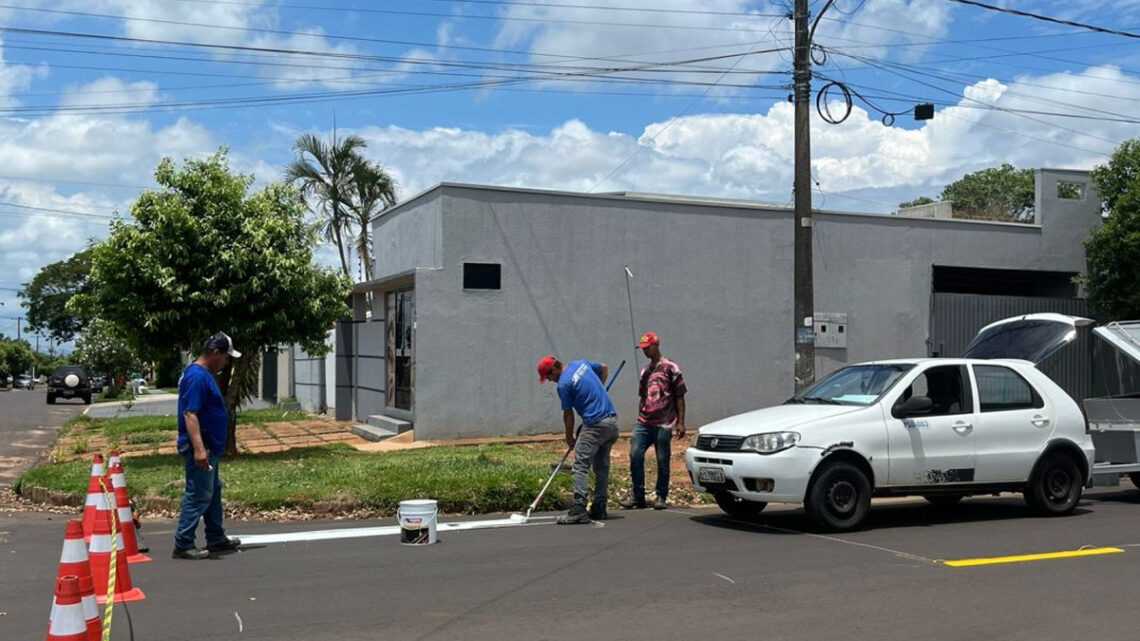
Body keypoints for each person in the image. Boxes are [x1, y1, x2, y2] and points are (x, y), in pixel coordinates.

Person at [173, 332, 243, 559]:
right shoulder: (196, 377)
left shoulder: (201, 374)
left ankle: (216, 538)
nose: (226, 362)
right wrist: (199, 449)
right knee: (198, 494)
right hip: (201, 446)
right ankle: (184, 543)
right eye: (225, 357)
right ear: (214, 353)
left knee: (213, 492)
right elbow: (190, 414)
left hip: (209, 445)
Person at [537, 355, 620, 524]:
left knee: (580, 466)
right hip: (611, 422)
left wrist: (570, 437)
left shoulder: (563, 385)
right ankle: (599, 506)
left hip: (595, 425)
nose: (551, 381)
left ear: (554, 370)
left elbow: (568, 414)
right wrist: (598, 392)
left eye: (549, 377)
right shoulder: (580, 364)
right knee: (601, 467)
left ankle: (579, 508)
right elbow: (604, 367)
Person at [620, 332, 687, 510]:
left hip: (664, 423)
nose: (645, 352)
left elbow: (680, 396)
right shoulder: (645, 371)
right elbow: (642, 396)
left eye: (647, 348)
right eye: (642, 349)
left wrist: (680, 422)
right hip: (644, 422)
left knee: (662, 459)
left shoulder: (671, 367)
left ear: (656, 345)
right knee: (635, 454)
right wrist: (639, 416)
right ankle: (638, 496)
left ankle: (661, 495)